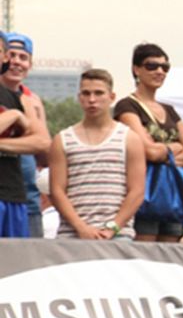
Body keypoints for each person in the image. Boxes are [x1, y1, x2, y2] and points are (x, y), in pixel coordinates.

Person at [48, 69, 146, 241]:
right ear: (79, 97)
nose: (92, 100)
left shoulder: (129, 138)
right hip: (72, 234)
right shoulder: (62, 139)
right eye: (86, 93)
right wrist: (81, 227)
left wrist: (113, 227)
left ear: (111, 97)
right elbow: (56, 191)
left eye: (99, 93)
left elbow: (137, 191)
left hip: (118, 235)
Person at [114, 43, 183, 243]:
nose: (160, 71)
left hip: (173, 193)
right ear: (136, 69)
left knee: (171, 252)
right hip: (145, 192)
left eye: (165, 67)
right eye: (152, 66)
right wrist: (176, 147)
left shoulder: (169, 110)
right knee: (145, 251)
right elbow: (148, 151)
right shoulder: (127, 106)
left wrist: (164, 153)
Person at [0, 33, 51, 238]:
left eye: (23, 57)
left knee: (21, 256)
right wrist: (14, 116)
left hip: (19, 196)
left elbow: (42, 143)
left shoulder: (27, 100)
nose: (16, 62)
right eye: (13, 55)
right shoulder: (19, 108)